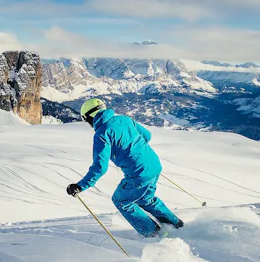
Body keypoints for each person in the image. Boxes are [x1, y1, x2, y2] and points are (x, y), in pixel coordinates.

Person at [66, 98, 184, 237]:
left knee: (121, 201)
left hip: (139, 173)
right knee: (145, 199)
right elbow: (147, 135)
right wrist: (136, 151)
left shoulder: (102, 134)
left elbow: (100, 167)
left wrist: (80, 186)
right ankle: (177, 225)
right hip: (154, 164)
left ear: (90, 117)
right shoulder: (124, 119)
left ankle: (154, 235)